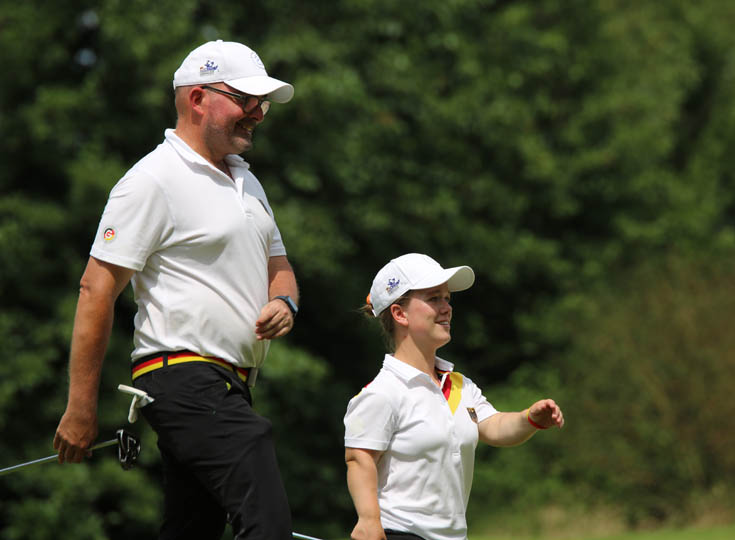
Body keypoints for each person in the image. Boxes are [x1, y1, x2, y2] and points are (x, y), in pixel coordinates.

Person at [53, 40, 299, 540]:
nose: (257, 114)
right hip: (184, 379)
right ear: (197, 99)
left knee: (192, 529)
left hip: (233, 385)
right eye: (245, 101)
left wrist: (284, 300)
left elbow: (281, 266)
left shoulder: (248, 184)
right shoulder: (151, 180)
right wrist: (81, 407)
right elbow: (96, 289)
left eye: (262, 104)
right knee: (265, 516)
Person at [344, 253, 564, 540]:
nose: (446, 308)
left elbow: (495, 427)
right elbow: (359, 458)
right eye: (434, 298)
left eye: (447, 299)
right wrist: (369, 521)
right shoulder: (383, 392)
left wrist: (529, 419)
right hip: (400, 533)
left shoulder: (460, 385)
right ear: (400, 314)